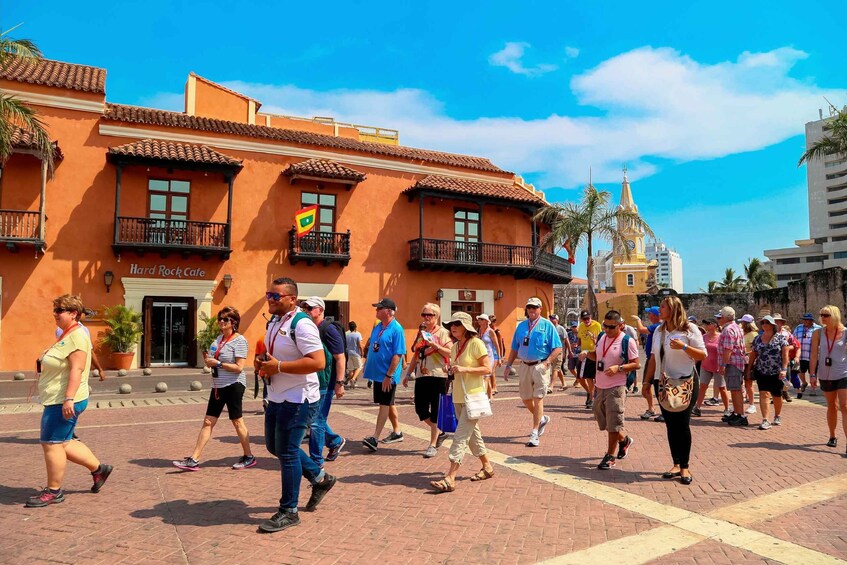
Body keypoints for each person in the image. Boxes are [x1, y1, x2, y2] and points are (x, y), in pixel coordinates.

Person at [255, 278, 335, 533]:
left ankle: (289, 511)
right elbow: (277, 355)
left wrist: (277, 367)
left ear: (291, 299)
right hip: (278, 395)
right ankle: (320, 478)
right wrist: (264, 364)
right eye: (269, 294)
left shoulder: (302, 325)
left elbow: (318, 362)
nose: (270, 298)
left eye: (275, 296)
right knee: (273, 446)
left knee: (288, 452)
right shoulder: (276, 322)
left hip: (299, 398)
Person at [27, 295, 113, 507]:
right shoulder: (68, 333)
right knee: (64, 442)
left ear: (73, 313)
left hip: (63, 400)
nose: (55, 314)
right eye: (55, 309)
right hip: (60, 398)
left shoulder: (76, 336)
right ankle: (99, 469)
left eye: (60, 310)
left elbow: (77, 368)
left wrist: (68, 399)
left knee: (51, 443)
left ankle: (54, 491)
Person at [172, 307, 255, 471]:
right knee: (208, 421)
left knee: (237, 421)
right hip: (218, 385)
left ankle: (249, 456)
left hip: (234, 385)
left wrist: (218, 363)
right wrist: (210, 361)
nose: (221, 322)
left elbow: (239, 367)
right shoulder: (218, 340)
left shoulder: (240, 341)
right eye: (219, 319)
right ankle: (194, 459)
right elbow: (211, 357)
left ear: (233, 322)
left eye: (225, 319)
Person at [430, 312, 495, 492]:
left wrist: (464, 368)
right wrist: (449, 369)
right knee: (473, 435)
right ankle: (487, 467)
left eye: (457, 324)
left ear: (466, 327)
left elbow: (486, 368)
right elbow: (455, 370)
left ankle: (450, 477)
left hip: (473, 397)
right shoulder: (455, 346)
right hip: (458, 396)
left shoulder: (476, 343)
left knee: (460, 436)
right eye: (451, 324)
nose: (453, 327)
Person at [644, 296, 705, 484]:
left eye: (662, 307)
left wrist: (684, 346)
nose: (659, 310)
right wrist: (646, 382)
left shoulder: (689, 329)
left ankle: (685, 467)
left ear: (673, 309)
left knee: (683, 424)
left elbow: (702, 354)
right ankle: (676, 463)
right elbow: (653, 358)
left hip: (685, 381)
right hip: (662, 382)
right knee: (670, 425)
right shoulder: (659, 331)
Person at [503, 297, 562, 447]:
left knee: (538, 398)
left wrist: (547, 362)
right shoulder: (521, 326)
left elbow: (557, 347)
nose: (532, 310)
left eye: (535, 307)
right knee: (525, 398)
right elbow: (515, 348)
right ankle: (542, 419)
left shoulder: (547, 325)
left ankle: (534, 432)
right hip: (524, 365)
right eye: (529, 307)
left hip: (540, 366)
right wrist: (508, 365)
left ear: (540, 309)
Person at [587, 310, 640, 470]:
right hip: (600, 385)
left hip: (617, 386)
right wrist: (586, 355)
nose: (608, 330)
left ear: (620, 325)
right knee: (601, 418)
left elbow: (636, 363)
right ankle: (624, 440)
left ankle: (610, 456)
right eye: (605, 326)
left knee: (614, 421)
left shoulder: (627, 341)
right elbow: (598, 357)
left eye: (611, 327)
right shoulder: (602, 337)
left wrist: (619, 368)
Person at [301, 297, 347, 466]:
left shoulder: (329, 329)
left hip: (326, 382)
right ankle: (335, 441)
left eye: (310, 307)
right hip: (311, 381)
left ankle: (316, 460)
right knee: (311, 418)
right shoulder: (310, 328)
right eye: (304, 307)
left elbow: (340, 358)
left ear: (320, 310)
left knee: (316, 422)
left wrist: (340, 383)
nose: (306, 309)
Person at [403, 303, 451, 457]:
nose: (425, 318)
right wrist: (408, 373)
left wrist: (435, 345)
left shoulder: (443, 333)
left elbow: (450, 352)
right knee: (420, 410)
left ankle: (432, 444)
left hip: (438, 375)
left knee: (436, 411)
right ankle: (440, 431)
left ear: (436, 316)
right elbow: (416, 354)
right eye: (423, 315)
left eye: (429, 315)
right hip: (422, 375)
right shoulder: (421, 333)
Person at [361, 298, 406, 452]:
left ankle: (375, 438)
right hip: (378, 374)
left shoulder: (397, 329)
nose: (376, 311)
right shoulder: (379, 326)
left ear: (388, 311)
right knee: (388, 402)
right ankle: (397, 432)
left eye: (379, 308)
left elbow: (398, 354)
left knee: (384, 405)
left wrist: (389, 375)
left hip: (387, 375)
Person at [809, 305, 847, 453]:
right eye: (822, 314)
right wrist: (812, 374)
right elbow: (813, 355)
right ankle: (832, 435)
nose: (823, 317)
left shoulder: (845, 333)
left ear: (835, 316)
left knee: (845, 406)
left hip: (843, 373)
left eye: (826, 315)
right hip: (825, 374)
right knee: (832, 405)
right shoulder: (818, 333)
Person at [746, 315, 788, 430]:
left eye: (767, 322)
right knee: (764, 393)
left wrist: (784, 369)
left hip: (777, 371)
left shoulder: (781, 338)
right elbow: (753, 354)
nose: (764, 324)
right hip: (762, 370)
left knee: (777, 395)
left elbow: (785, 356)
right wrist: (749, 369)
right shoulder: (757, 339)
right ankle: (765, 419)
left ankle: (777, 415)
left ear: (772, 325)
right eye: (763, 322)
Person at [717, 307, 749, 426]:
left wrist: (723, 365)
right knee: (735, 389)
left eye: (720, 317)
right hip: (737, 362)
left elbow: (728, 349)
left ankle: (740, 415)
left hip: (732, 362)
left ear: (724, 318)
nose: (718, 319)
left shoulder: (728, 330)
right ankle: (736, 413)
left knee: (736, 390)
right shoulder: (737, 327)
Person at [53, 308, 106, 381]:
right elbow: (90, 351)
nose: (85, 317)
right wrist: (100, 369)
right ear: (79, 314)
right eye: (85, 314)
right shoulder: (82, 329)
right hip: (77, 366)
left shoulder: (59, 328)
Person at [692, 318, 729, 418]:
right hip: (705, 366)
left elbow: (726, 351)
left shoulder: (721, 337)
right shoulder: (703, 337)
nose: (706, 326)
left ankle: (727, 409)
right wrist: (694, 363)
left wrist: (724, 365)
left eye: (708, 324)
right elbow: (700, 351)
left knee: (722, 388)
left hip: (718, 367)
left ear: (715, 325)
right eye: (706, 324)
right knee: (703, 386)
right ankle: (697, 407)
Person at [632, 306, 663, 421]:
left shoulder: (657, 325)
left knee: (657, 386)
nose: (648, 316)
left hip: (655, 360)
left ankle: (662, 410)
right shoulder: (657, 325)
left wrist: (638, 320)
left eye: (649, 313)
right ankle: (651, 409)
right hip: (650, 358)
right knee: (647, 386)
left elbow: (641, 330)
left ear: (654, 315)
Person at [576, 310, 603, 409]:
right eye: (584, 319)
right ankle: (589, 392)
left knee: (593, 377)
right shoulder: (582, 326)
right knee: (581, 377)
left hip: (594, 353)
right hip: (584, 354)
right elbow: (580, 337)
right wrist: (577, 346)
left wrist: (594, 340)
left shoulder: (597, 325)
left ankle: (592, 398)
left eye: (588, 318)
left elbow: (601, 339)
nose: (586, 320)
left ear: (591, 317)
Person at [793, 313, 821, 398]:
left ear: (812, 320)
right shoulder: (798, 328)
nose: (805, 321)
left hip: (813, 355)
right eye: (804, 319)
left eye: (807, 319)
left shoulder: (818, 328)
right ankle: (804, 383)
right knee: (800, 372)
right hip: (801, 355)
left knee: (813, 373)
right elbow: (794, 339)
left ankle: (813, 389)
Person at [773, 313, 799, 402]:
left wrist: (786, 348)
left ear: (781, 323)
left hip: (785, 359)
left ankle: (784, 391)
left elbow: (795, 345)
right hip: (772, 361)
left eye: (777, 321)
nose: (775, 323)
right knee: (774, 379)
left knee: (786, 379)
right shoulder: (769, 333)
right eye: (774, 321)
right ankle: (777, 395)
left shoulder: (787, 334)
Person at [476, 314, 500, 398]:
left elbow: (497, 345)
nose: (479, 321)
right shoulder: (478, 330)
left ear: (486, 321)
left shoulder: (491, 331)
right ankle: (490, 396)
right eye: (479, 319)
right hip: (482, 356)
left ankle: (483, 396)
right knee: (487, 376)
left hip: (490, 356)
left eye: (481, 319)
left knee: (486, 376)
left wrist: (499, 358)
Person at [740, 315, 759, 416]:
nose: (741, 324)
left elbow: (755, 349)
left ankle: (752, 404)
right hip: (741, 361)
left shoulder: (753, 334)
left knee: (748, 383)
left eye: (743, 322)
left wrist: (747, 353)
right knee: (740, 383)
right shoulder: (743, 333)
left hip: (749, 362)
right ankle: (739, 404)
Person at [549, 314, 572, 391]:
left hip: (559, 351)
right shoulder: (549, 328)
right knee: (557, 369)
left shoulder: (561, 329)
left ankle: (551, 386)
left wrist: (569, 351)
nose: (551, 320)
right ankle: (564, 383)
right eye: (550, 318)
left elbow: (566, 341)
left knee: (555, 369)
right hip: (551, 352)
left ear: (557, 320)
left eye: (553, 318)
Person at [345, 321, 364, 389]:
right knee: (359, 367)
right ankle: (353, 379)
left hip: (349, 353)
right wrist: (362, 353)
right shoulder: (357, 335)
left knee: (351, 369)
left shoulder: (347, 335)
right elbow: (360, 345)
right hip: (356, 353)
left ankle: (351, 383)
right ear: (355, 327)